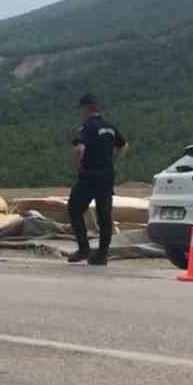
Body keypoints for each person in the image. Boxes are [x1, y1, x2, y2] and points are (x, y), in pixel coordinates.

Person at [68, 94, 127, 266]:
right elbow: (124, 145)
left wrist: (78, 165)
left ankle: (84, 248)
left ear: (87, 109)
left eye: (82, 109)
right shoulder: (110, 127)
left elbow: (80, 149)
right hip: (107, 175)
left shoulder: (87, 127)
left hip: (89, 175)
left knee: (74, 209)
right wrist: (113, 160)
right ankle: (102, 255)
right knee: (104, 215)